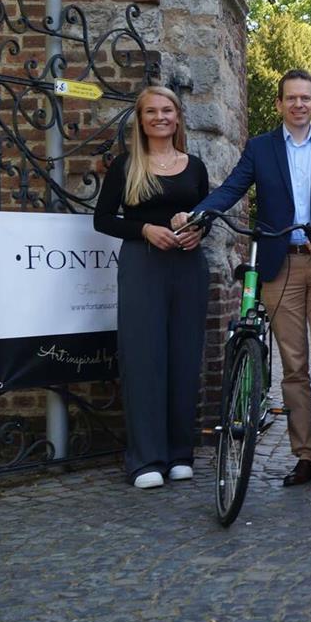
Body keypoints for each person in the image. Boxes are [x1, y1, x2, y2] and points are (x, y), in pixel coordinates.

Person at [176, 69, 311, 490]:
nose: (298, 104)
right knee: (294, 367)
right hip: (281, 265)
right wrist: (201, 212)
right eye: (291, 98)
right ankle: (306, 456)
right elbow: (233, 187)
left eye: (305, 98)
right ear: (279, 104)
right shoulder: (260, 148)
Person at [93, 85, 209, 490]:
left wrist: (196, 230)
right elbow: (103, 219)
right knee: (144, 359)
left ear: (177, 117)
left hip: (188, 267)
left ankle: (180, 454)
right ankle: (146, 460)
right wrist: (144, 229)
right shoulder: (126, 166)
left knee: (184, 357)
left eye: (167, 110)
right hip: (143, 265)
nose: (160, 117)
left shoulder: (194, 166)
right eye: (151, 112)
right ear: (140, 121)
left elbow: (205, 213)